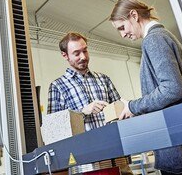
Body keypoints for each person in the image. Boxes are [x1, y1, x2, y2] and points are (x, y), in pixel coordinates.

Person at [109, 0, 182, 175]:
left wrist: (134, 106)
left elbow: (172, 88)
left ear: (134, 15)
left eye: (122, 27)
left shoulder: (154, 40)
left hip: (181, 150)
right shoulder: (164, 36)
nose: (122, 34)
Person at [47, 32, 132, 175]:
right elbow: (54, 132)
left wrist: (126, 107)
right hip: (85, 164)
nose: (83, 57)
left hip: (116, 158)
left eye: (85, 50)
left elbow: (121, 113)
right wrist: (82, 112)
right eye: (76, 53)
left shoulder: (104, 79)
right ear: (65, 55)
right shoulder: (57, 86)